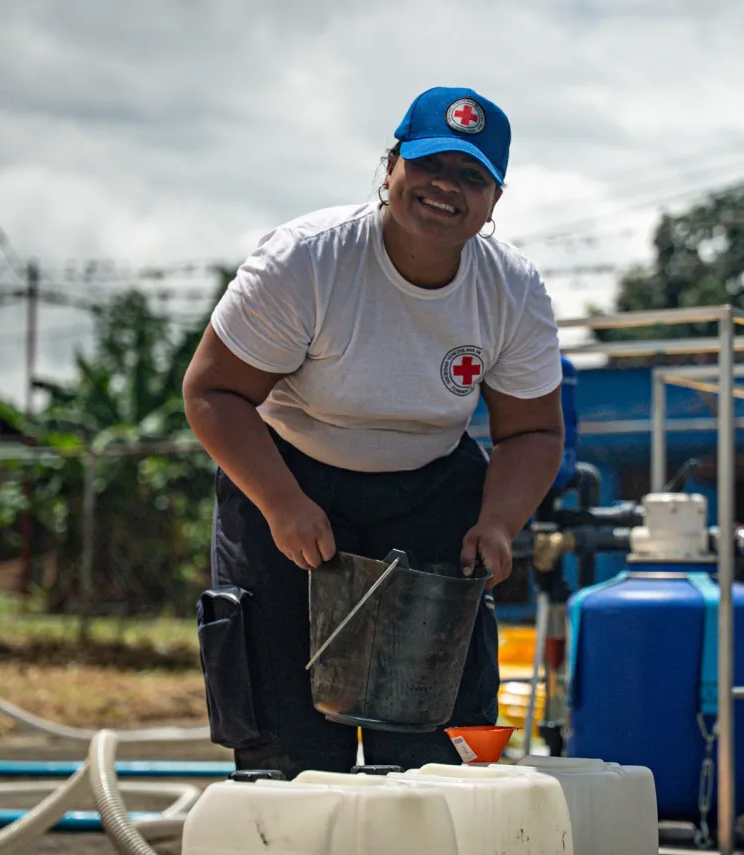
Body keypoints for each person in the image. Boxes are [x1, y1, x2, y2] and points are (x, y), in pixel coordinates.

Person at [182, 86, 565, 777]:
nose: (446, 188)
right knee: (288, 751)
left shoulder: (512, 290)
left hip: (430, 496)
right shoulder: (306, 261)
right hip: (290, 482)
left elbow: (532, 432)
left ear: (495, 200)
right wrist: (280, 504)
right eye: (428, 165)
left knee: (435, 749)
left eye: (471, 177)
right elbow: (212, 391)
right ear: (390, 167)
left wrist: (500, 522)